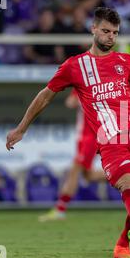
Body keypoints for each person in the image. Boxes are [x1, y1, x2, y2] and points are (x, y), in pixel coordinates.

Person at [6, 7, 130, 258]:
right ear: (93, 29)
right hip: (111, 139)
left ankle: (122, 247)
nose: (110, 37)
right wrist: (22, 127)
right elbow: (45, 95)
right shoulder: (74, 66)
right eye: (105, 31)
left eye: (115, 32)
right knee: (129, 186)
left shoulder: (127, 61)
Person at [38, 89, 106, 222]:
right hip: (83, 136)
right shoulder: (83, 84)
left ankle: (60, 209)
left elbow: (72, 102)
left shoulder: (94, 86)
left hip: (91, 136)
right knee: (88, 175)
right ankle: (129, 176)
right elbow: (70, 102)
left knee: (75, 168)